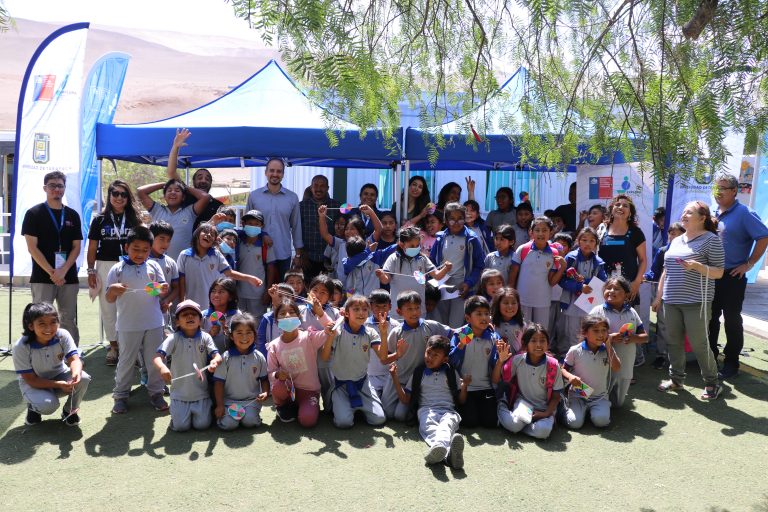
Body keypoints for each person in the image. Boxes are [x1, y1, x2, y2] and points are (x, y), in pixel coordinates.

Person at [655, 201, 725, 400]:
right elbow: (666, 270)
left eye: (689, 212)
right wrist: (660, 296)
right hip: (671, 300)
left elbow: (719, 272)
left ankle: (712, 382)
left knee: (699, 344)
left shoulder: (711, 240)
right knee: (673, 341)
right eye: (683, 211)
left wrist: (697, 266)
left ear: (702, 218)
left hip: (697, 302)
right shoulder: (677, 240)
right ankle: (676, 380)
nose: (684, 215)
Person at [106, 225, 170, 414]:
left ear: (150, 250)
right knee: (126, 360)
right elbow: (109, 298)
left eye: (145, 250)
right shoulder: (117, 269)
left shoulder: (154, 266)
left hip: (154, 323)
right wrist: (112, 291)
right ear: (126, 248)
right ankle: (120, 396)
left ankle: (156, 393)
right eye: (136, 249)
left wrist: (163, 290)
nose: (140, 254)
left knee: (155, 360)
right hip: (128, 325)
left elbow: (161, 291)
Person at [709, 174, 768, 379]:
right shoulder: (712, 212)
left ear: (735, 191)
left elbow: (763, 236)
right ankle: (710, 358)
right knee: (710, 318)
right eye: (716, 188)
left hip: (732, 276)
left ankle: (731, 361)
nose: (719, 192)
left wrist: (749, 264)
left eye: (723, 188)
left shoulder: (744, 213)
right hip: (710, 275)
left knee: (732, 319)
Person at [388, 335, 469, 469]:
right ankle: (449, 455)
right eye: (428, 353)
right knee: (430, 428)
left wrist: (465, 386)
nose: (429, 357)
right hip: (426, 410)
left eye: (435, 355)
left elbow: (461, 399)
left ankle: (441, 452)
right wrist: (394, 377)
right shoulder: (419, 372)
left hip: (449, 411)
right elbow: (405, 399)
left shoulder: (451, 372)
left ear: (445, 359)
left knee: (445, 426)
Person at [22, 171, 82, 345]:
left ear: (64, 188)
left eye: (60, 185)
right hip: (43, 277)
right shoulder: (34, 213)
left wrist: (62, 271)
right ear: (45, 188)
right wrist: (52, 272)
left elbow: (76, 247)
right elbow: (32, 248)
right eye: (52, 185)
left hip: (68, 277)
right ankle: (42, 354)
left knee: (68, 319)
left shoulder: (72, 215)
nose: (57, 189)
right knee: (41, 319)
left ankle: (72, 355)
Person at [86, 179, 142, 365]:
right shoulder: (99, 220)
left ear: (128, 198)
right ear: (109, 196)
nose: (119, 197)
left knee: (130, 306)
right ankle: (113, 346)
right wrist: (91, 270)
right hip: (105, 265)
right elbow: (92, 247)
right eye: (115, 194)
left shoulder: (135, 219)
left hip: (130, 265)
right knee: (108, 307)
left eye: (123, 194)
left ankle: (131, 345)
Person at [13, 302, 91, 426]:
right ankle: (33, 407)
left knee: (84, 378)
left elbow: (75, 360)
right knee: (49, 406)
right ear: (31, 326)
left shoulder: (63, 335)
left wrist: (76, 373)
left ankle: (69, 411)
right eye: (42, 324)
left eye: (53, 322)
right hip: (33, 384)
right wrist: (57, 384)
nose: (49, 328)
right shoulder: (21, 346)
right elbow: (31, 380)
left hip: (59, 375)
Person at [378, 291, 452, 421]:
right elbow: (385, 360)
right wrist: (398, 354)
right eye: (409, 309)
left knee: (400, 416)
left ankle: (416, 404)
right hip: (397, 377)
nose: (414, 312)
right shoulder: (396, 332)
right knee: (387, 413)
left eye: (417, 308)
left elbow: (453, 332)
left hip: (417, 381)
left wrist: (472, 329)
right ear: (399, 311)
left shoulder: (431, 326)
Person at [321, 294, 387, 428]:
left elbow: (383, 358)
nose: (361, 313)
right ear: (346, 313)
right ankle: (338, 403)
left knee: (379, 419)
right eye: (356, 309)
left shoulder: (371, 332)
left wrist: (384, 334)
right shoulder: (337, 331)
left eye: (364, 309)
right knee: (343, 423)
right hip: (341, 385)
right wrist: (329, 337)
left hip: (363, 384)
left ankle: (352, 407)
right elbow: (324, 357)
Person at [266, 298, 336, 426]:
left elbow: (331, 328)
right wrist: (277, 375)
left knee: (307, 421)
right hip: (287, 390)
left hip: (309, 391)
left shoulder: (309, 337)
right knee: (278, 386)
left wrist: (320, 313)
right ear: (276, 321)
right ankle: (282, 406)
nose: (287, 316)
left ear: (299, 317)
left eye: (292, 312)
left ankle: (301, 408)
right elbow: (270, 372)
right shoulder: (274, 346)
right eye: (282, 313)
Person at [155, 300, 222, 431]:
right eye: (185, 314)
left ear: (200, 320)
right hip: (179, 394)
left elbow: (217, 355)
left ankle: (202, 410)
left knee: (202, 425)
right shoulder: (174, 338)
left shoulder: (205, 337)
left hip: (201, 394)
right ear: (177, 321)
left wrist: (215, 362)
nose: (190, 316)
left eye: (193, 314)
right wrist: (162, 367)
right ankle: (177, 413)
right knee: (181, 427)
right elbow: (158, 357)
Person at [494, 324, 563, 439]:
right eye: (533, 341)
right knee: (514, 425)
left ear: (548, 344)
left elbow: (556, 396)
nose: (538, 345)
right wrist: (500, 361)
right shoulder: (517, 360)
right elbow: (496, 379)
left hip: (544, 407)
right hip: (523, 405)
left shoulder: (553, 365)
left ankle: (522, 428)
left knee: (543, 432)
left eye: (542, 341)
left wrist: (546, 413)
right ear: (525, 344)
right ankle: (502, 406)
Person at [176, 223, 263, 310]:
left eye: (212, 234)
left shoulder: (216, 255)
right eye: (205, 232)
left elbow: (229, 273)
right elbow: (181, 281)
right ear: (197, 234)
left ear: (215, 240)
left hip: (210, 305)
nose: (208, 235)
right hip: (190, 304)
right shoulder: (184, 255)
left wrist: (249, 278)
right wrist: (182, 302)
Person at [590, 277, 647, 407]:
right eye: (608, 288)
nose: (611, 291)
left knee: (618, 404)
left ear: (627, 294)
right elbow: (588, 337)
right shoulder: (598, 311)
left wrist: (633, 338)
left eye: (616, 289)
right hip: (602, 361)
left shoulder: (632, 312)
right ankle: (598, 407)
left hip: (625, 363)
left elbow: (645, 336)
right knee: (602, 393)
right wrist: (609, 338)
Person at [430, 202, 487, 327]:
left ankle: (455, 346)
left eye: (460, 219)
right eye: (452, 219)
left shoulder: (472, 238)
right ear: (445, 220)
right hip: (441, 286)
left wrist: (468, 283)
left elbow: (479, 265)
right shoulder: (440, 238)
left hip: (461, 288)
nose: (456, 223)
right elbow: (431, 262)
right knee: (441, 324)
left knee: (456, 325)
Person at [246, 157, 304, 278]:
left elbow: (296, 226)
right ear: (266, 172)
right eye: (272, 170)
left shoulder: (292, 198)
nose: (275, 174)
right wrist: (262, 235)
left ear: (283, 174)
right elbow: (247, 225)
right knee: (259, 291)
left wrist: (298, 255)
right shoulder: (254, 196)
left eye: (279, 171)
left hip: (282, 254)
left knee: (282, 292)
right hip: (258, 252)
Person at [376, 226, 451, 319]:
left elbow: (437, 276)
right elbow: (385, 280)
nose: (415, 248)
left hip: (419, 311)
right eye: (412, 246)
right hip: (398, 312)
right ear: (402, 244)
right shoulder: (393, 258)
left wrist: (446, 269)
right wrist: (381, 275)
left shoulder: (423, 259)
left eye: (417, 245)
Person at [560, 315, 621, 429]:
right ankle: (563, 409)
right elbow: (563, 369)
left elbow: (617, 367)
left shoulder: (607, 350)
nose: (601, 334)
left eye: (604, 330)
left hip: (599, 396)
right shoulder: (575, 351)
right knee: (574, 423)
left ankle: (592, 412)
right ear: (585, 333)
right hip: (578, 394)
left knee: (601, 421)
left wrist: (608, 346)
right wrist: (570, 377)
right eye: (596, 331)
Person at [449, 296, 500, 428]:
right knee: (470, 422)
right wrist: (461, 345)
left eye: (487, 314)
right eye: (479, 314)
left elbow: (496, 365)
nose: (484, 318)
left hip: (486, 387)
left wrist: (501, 359)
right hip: (465, 388)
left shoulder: (493, 337)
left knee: (490, 423)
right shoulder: (461, 334)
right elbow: (450, 362)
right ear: (467, 318)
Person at [213, 313, 270, 430]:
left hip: (251, 402)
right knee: (229, 424)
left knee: (250, 422)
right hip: (229, 401)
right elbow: (218, 383)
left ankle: (251, 415)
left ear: (254, 335)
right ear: (232, 336)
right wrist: (220, 405)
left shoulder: (259, 357)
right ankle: (225, 419)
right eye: (239, 333)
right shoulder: (226, 357)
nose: (244, 337)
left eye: (249, 332)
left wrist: (265, 392)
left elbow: (264, 379)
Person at [558, 227, 608, 357]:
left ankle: (585, 357)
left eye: (592, 241)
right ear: (578, 241)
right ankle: (570, 358)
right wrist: (579, 287)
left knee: (588, 329)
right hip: (571, 302)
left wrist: (587, 281)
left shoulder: (598, 262)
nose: (587, 243)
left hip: (590, 303)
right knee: (572, 332)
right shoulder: (571, 258)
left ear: (596, 244)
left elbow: (603, 281)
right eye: (584, 240)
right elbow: (562, 280)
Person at [508, 216, 566, 325]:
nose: (541, 233)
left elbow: (551, 282)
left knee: (541, 331)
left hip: (543, 301)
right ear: (531, 232)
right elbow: (513, 274)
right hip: (522, 300)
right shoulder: (523, 249)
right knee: (523, 331)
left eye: (545, 230)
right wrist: (511, 295)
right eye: (537, 230)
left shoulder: (554, 253)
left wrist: (562, 267)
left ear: (551, 232)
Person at [137, 178, 211, 261]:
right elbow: (140, 191)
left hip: (184, 264)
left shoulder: (190, 212)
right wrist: (164, 184)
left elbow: (206, 197)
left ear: (183, 197)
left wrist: (185, 187)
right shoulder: (156, 209)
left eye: (177, 190)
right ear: (164, 197)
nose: (173, 192)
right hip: (157, 263)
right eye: (169, 190)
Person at [165, 128, 223, 229]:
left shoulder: (218, 206)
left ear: (211, 183)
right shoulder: (185, 196)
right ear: (193, 181)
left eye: (207, 179)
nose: (203, 181)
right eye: (200, 178)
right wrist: (175, 147)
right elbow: (171, 172)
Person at [597, 194, 647, 306]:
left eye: (625, 206)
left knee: (627, 322)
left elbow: (643, 260)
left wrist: (636, 282)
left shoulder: (636, 232)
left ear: (630, 213)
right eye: (617, 204)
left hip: (627, 288)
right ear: (611, 209)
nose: (620, 207)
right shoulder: (602, 229)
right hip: (603, 286)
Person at [300, 175, 342, 280]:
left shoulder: (336, 205)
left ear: (328, 188)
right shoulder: (301, 206)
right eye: (316, 185)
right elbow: (297, 230)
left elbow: (340, 232)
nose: (319, 189)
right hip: (308, 258)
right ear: (311, 187)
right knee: (309, 290)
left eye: (322, 186)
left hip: (330, 259)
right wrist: (301, 253)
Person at [366, 289, 401, 397]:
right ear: (371, 306)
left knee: (388, 409)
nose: (381, 310)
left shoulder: (396, 326)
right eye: (377, 306)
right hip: (370, 375)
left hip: (390, 375)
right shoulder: (364, 325)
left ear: (390, 306)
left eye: (384, 306)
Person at [201, 277, 241, 353]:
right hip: (208, 359)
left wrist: (228, 332)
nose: (216, 295)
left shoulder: (237, 316)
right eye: (213, 291)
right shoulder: (203, 316)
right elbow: (196, 342)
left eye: (221, 292)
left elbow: (241, 338)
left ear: (230, 297)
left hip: (231, 358)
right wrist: (210, 334)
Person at [491, 287, 525, 353]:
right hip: (495, 362)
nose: (510, 306)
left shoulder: (523, 326)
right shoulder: (490, 323)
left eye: (513, 303)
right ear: (498, 305)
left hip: (515, 362)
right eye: (506, 303)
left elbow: (525, 347)